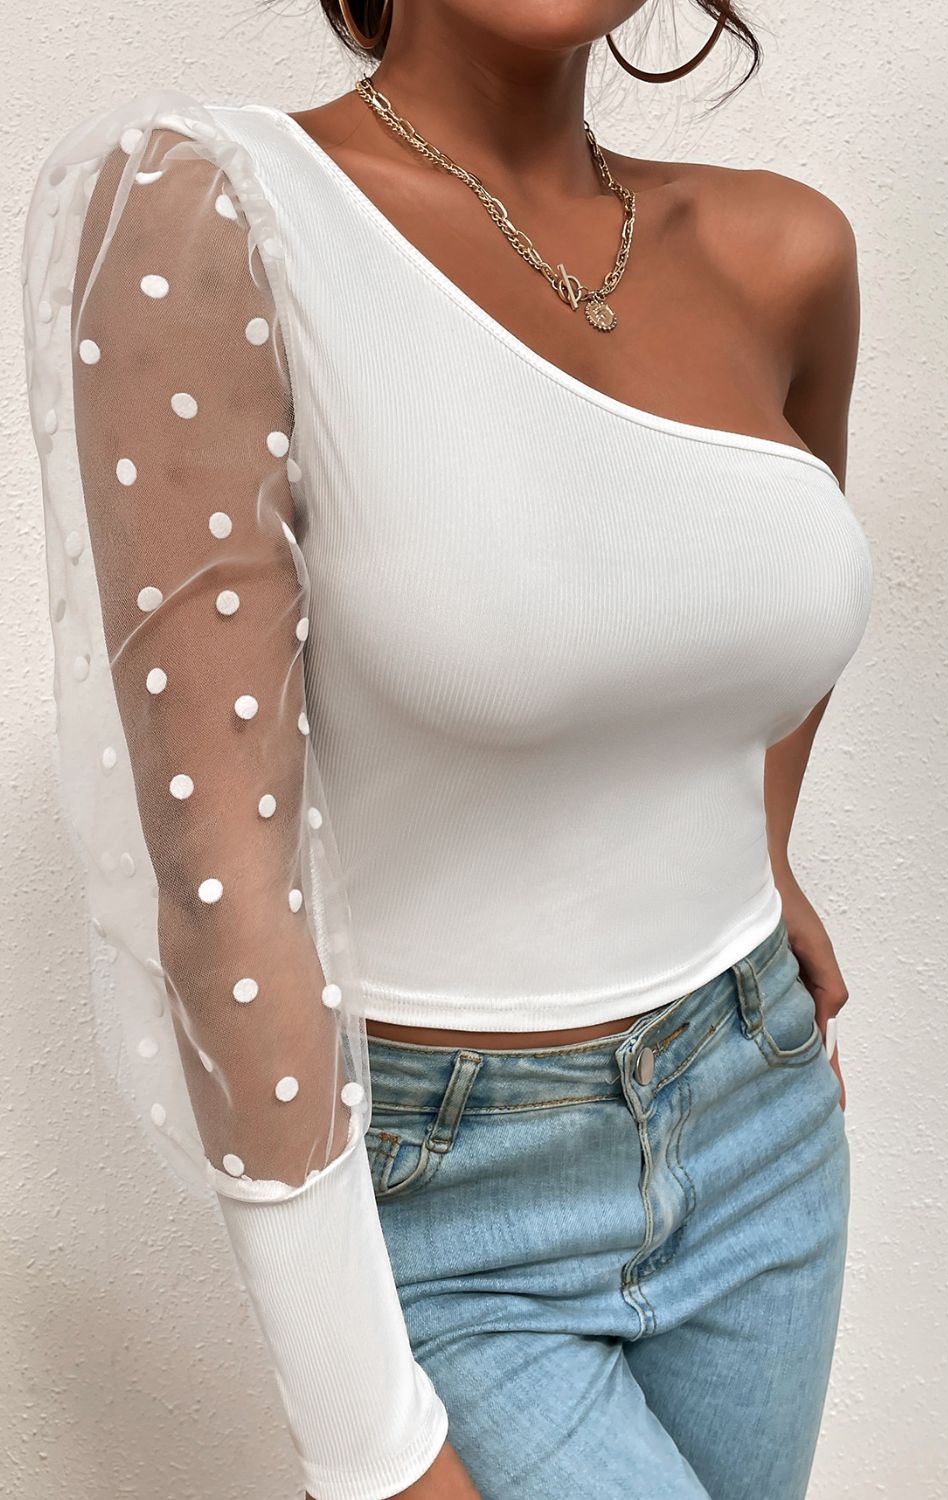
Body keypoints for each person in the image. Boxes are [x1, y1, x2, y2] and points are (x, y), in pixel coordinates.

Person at [21, 2, 875, 1497]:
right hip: (445, 1194)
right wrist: (364, 1436)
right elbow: (222, 876)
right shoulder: (215, 211)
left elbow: (765, 600)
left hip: (763, 1118)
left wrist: (765, 851)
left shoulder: (787, 250)